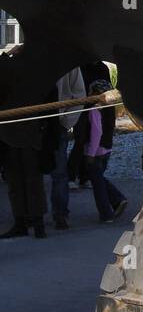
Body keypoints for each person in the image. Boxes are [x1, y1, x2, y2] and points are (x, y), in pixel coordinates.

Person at [83, 63, 128, 223]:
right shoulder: (109, 108)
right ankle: (117, 200)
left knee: (98, 183)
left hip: (96, 151)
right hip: (106, 148)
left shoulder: (94, 109)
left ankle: (107, 212)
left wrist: (90, 154)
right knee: (99, 178)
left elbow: (96, 132)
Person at [44, 67, 86, 231]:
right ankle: (33, 216)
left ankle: (60, 213)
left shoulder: (69, 66)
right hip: (34, 124)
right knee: (32, 172)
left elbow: (79, 93)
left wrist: (66, 121)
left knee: (59, 171)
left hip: (57, 124)